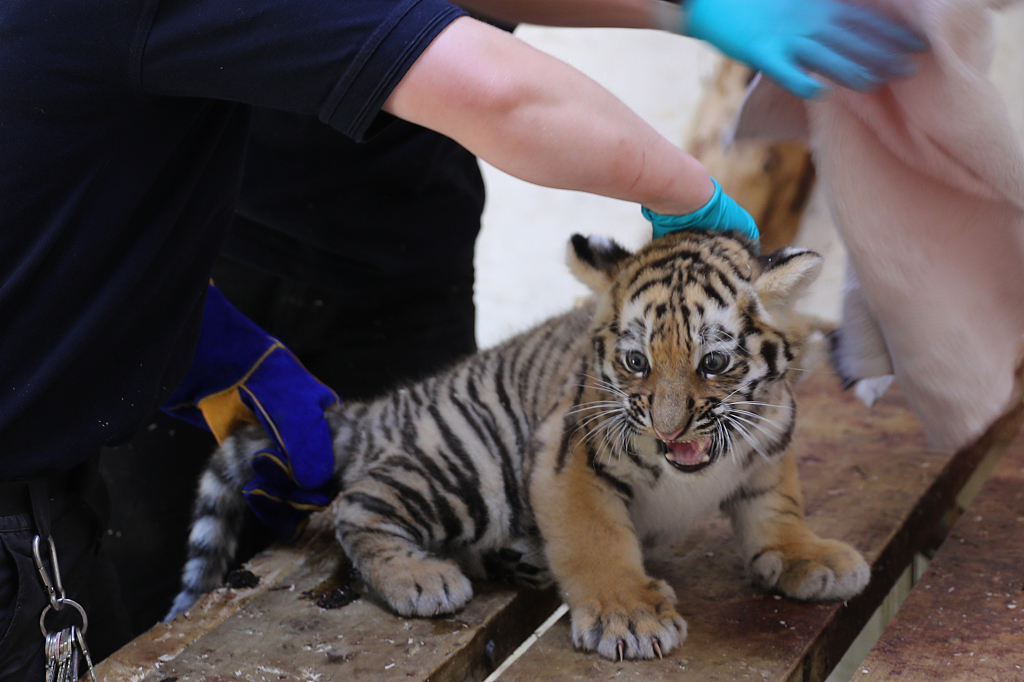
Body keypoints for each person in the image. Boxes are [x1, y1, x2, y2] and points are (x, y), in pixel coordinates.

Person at [0, 0, 925, 678]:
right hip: (53, 477)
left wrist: (688, 7)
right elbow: (498, 91)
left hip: (324, 280)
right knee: (179, 626)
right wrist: (697, 206)